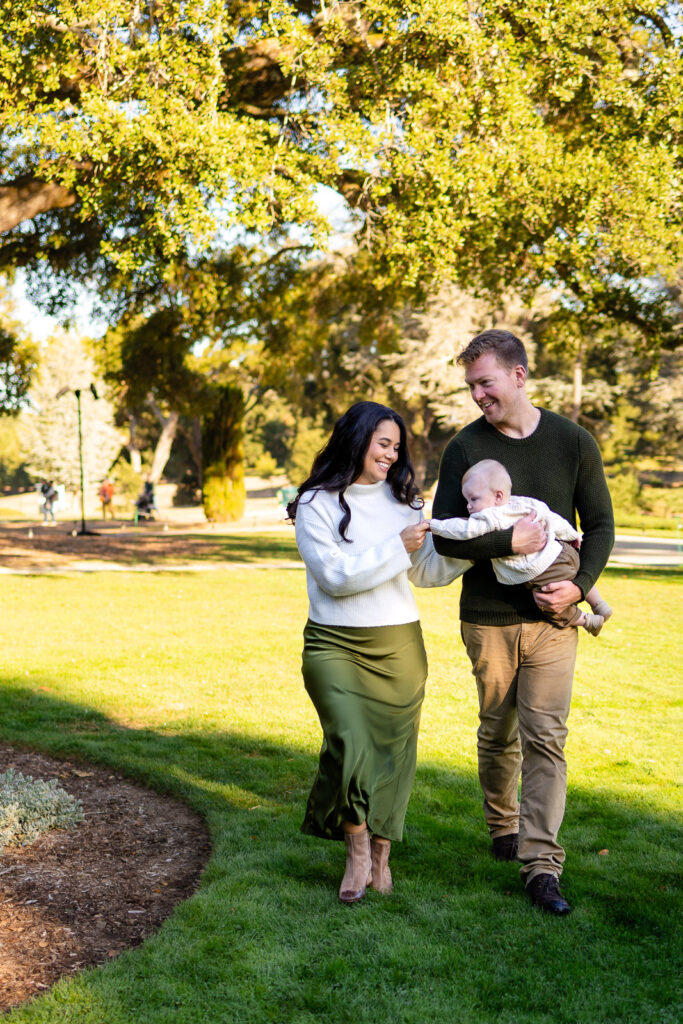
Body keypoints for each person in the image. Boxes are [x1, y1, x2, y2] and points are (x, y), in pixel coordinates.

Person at [431, 329, 614, 915]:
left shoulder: (573, 441)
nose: (478, 395)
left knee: (547, 738)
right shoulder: (462, 449)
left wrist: (578, 587)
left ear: (518, 375)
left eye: (485, 383)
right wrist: (508, 538)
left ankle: (541, 867)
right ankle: (502, 823)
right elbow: (448, 543)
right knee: (497, 731)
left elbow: (601, 526)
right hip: (487, 620)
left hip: (555, 621)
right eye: (471, 386)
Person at [288, 401, 470, 904]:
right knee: (347, 742)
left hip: (398, 643)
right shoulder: (314, 504)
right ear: (357, 439)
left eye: (397, 446)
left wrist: (475, 548)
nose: (392, 455)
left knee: (394, 754)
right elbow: (335, 577)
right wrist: (398, 544)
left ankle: (382, 852)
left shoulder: (404, 502)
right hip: (334, 644)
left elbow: (424, 572)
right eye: (383, 443)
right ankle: (356, 847)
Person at [429, 459, 613, 635]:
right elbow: (551, 517)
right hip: (562, 553)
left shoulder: (489, 517)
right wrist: (571, 536)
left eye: (473, 499)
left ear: (498, 496)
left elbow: (463, 529)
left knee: (548, 603)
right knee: (575, 573)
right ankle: (599, 604)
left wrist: (434, 525)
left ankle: (588, 621)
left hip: (542, 571)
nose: (468, 506)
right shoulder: (523, 504)